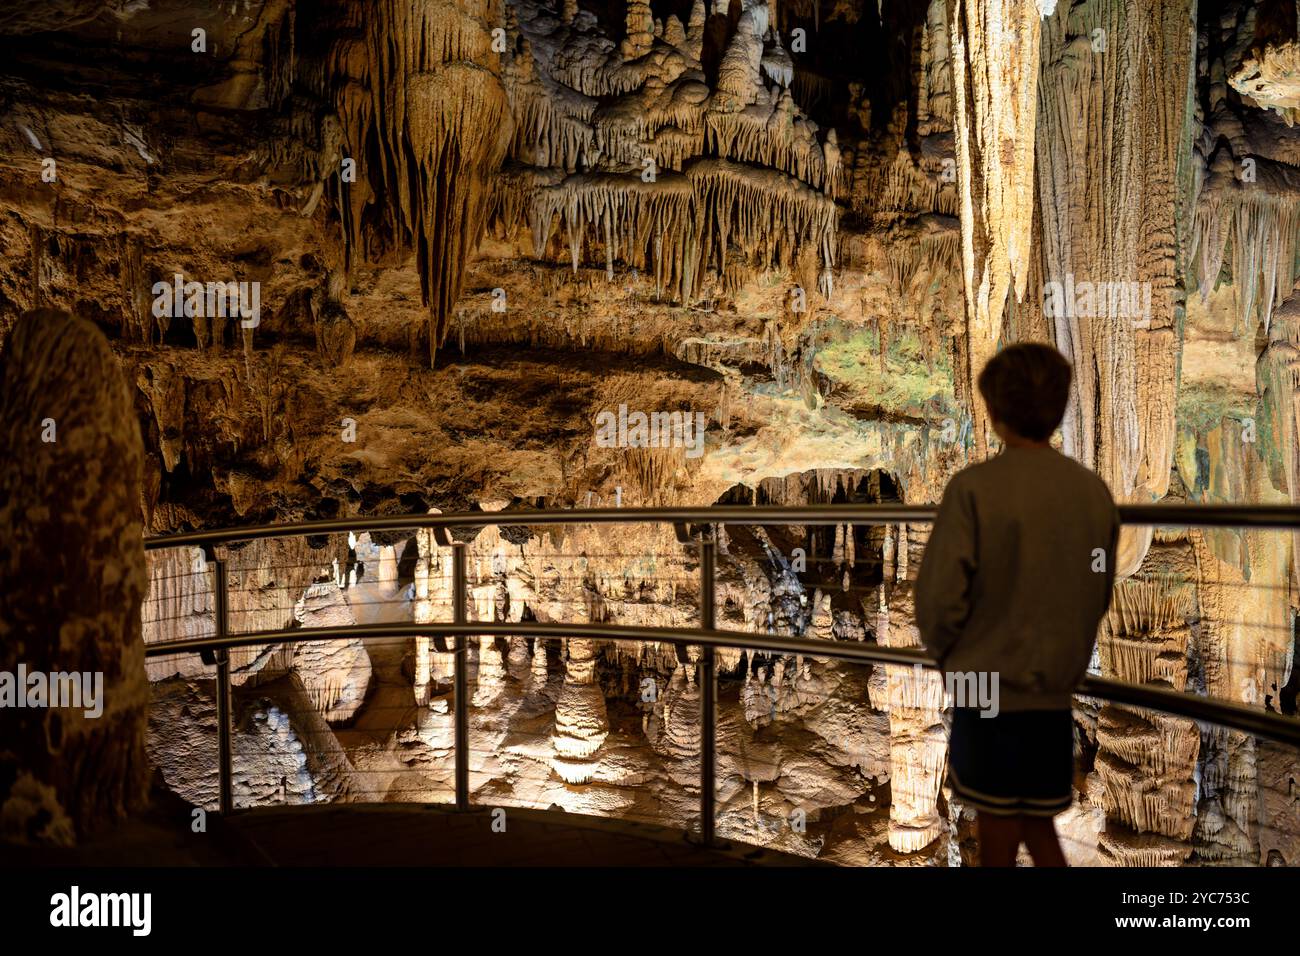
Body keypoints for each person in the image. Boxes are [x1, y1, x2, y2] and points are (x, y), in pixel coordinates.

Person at [915, 342, 1120, 866]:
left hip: (985, 688)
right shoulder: (1092, 494)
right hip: (1051, 693)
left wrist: (955, 664)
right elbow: (1095, 589)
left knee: (999, 830)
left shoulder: (975, 490)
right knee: (1034, 821)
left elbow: (938, 599)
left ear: (997, 413)